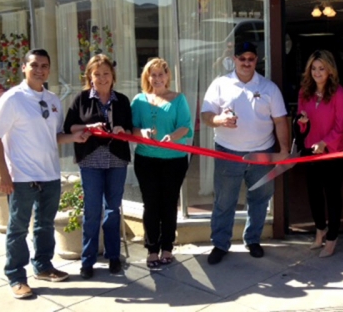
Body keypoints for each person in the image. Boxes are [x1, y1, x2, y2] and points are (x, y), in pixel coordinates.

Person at [0, 49, 87, 299]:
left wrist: (74, 136)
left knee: (44, 225)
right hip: (21, 177)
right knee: (18, 229)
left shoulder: (53, 100)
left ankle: (43, 266)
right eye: (34, 65)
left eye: (44, 65)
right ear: (24, 68)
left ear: (49, 70)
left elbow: (54, 136)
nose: (39, 69)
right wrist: (3, 174)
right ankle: (16, 276)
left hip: (50, 175)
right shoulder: (12, 99)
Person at [201, 41, 289, 265]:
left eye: (251, 59)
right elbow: (206, 115)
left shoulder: (269, 88)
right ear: (234, 59)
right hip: (228, 153)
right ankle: (220, 244)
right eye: (242, 59)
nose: (246, 63)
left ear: (256, 60)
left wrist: (284, 150)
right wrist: (220, 120)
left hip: (262, 154)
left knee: (260, 200)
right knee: (224, 201)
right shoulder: (221, 84)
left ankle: (253, 240)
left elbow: (280, 121)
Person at [63, 54, 133, 280]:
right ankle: (88, 260)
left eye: (106, 73)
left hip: (116, 160)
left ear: (113, 76)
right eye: (97, 74)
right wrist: (88, 126)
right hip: (90, 160)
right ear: (90, 77)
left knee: (112, 210)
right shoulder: (81, 99)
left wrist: (123, 131)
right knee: (92, 211)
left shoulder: (122, 100)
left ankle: (113, 256)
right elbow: (68, 127)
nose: (102, 78)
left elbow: (132, 131)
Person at [131, 58, 193, 269]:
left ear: (167, 76)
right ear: (147, 77)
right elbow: (132, 128)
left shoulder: (178, 99)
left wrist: (173, 137)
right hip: (146, 159)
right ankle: (152, 249)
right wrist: (143, 133)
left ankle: (167, 247)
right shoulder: (139, 100)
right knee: (151, 204)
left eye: (161, 74)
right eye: (153, 74)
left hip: (174, 160)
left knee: (168, 204)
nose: (157, 78)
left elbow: (185, 126)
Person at [296, 50, 343, 257]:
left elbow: (341, 127)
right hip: (311, 150)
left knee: (332, 195)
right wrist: (301, 123)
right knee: (314, 193)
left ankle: (332, 238)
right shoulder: (304, 92)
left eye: (322, 68)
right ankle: (320, 230)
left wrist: (324, 142)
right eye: (314, 68)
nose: (317, 72)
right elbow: (302, 123)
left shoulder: (339, 94)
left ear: (330, 70)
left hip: (334, 151)